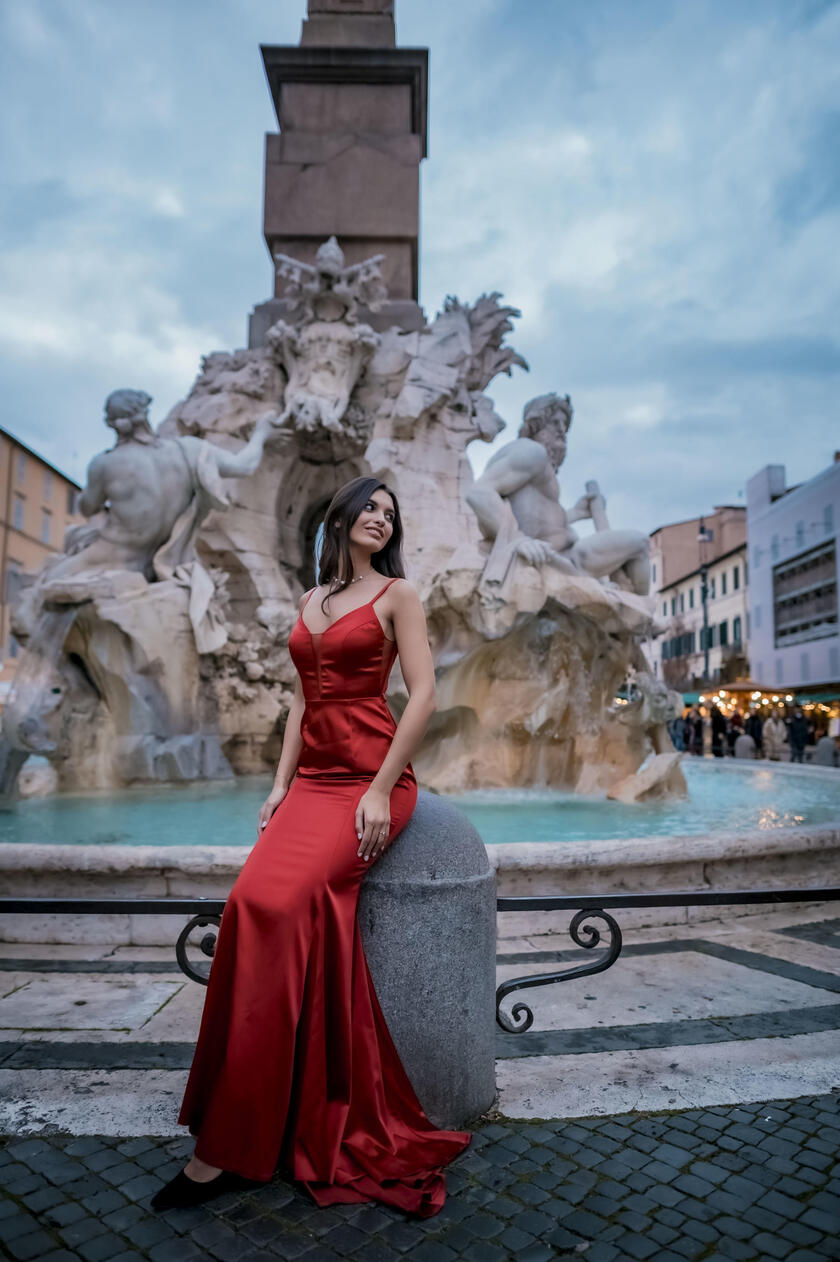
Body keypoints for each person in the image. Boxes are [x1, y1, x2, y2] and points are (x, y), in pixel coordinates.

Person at [151, 476, 471, 1216]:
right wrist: (276, 785)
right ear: (344, 516)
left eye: (391, 513)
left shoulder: (399, 595)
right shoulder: (309, 600)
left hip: (369, 777)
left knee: (288, 906)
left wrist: (376, 791)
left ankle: (225, 1151)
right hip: (310, 786)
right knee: (248, 907)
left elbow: (421, 695)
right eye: (371, 506)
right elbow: (302, 700)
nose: (381, 518)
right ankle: (262, 1110)